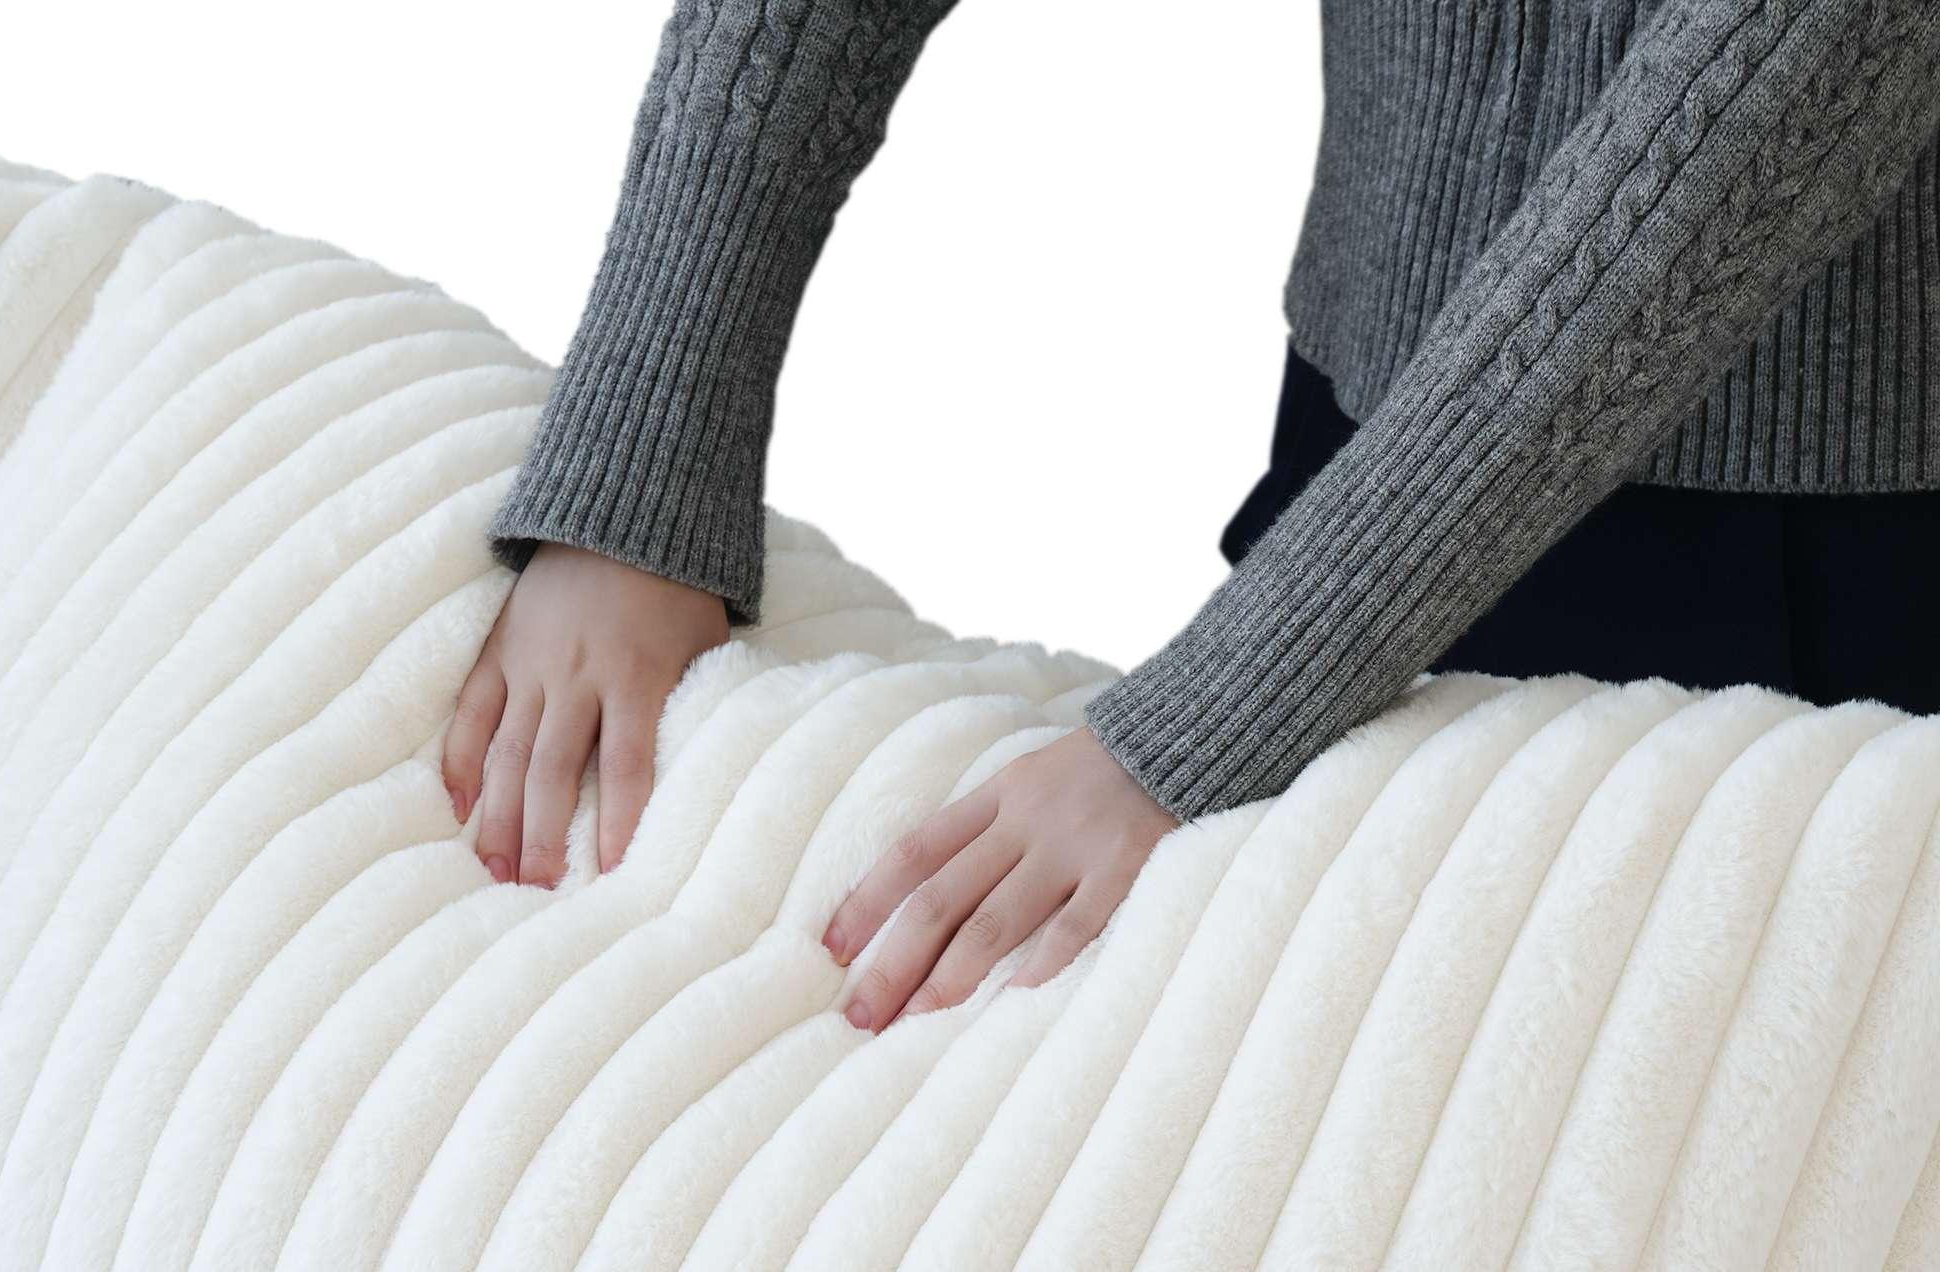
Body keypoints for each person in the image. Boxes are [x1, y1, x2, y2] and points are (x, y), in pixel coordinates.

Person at [445, 0, 1940, 1035]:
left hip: (1855, 552)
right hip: (1375, 438)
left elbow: (1809, 57)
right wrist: (651, 444)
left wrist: (1224, 713)